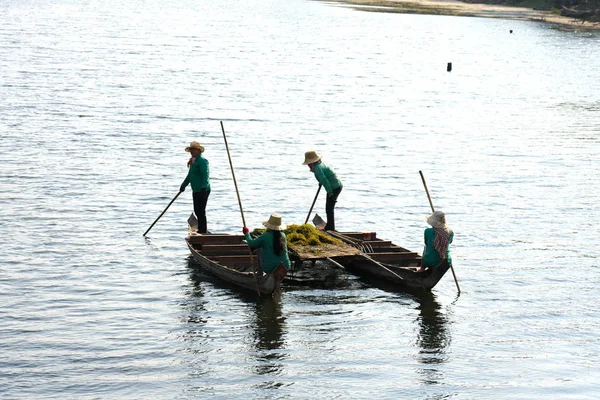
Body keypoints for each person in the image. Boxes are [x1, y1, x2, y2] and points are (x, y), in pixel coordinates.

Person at [302, 150, 343, 231]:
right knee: (329, 207)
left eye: (309, 164)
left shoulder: (317, 169)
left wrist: (330, 193)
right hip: (337, 185)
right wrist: (321, 182)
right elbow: (325, 176)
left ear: (311, 163)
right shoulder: (320, 164)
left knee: (329, 208)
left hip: (334, 187)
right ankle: (330, 226)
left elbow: (325, 180)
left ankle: (330, 227)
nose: (308, 166)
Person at [180, 141, 211, 233]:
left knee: (201, 211)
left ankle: (202, 230)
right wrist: (183, 186)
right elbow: (190, 176)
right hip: (196, 189)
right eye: (191, 150)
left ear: (198, 151)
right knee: (197, 210)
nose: (192, 151)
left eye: (193, 150)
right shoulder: (193, 161)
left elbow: (205, 175)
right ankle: (201, 229)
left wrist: (204, 187)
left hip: (203, 189)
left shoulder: (202, 161)